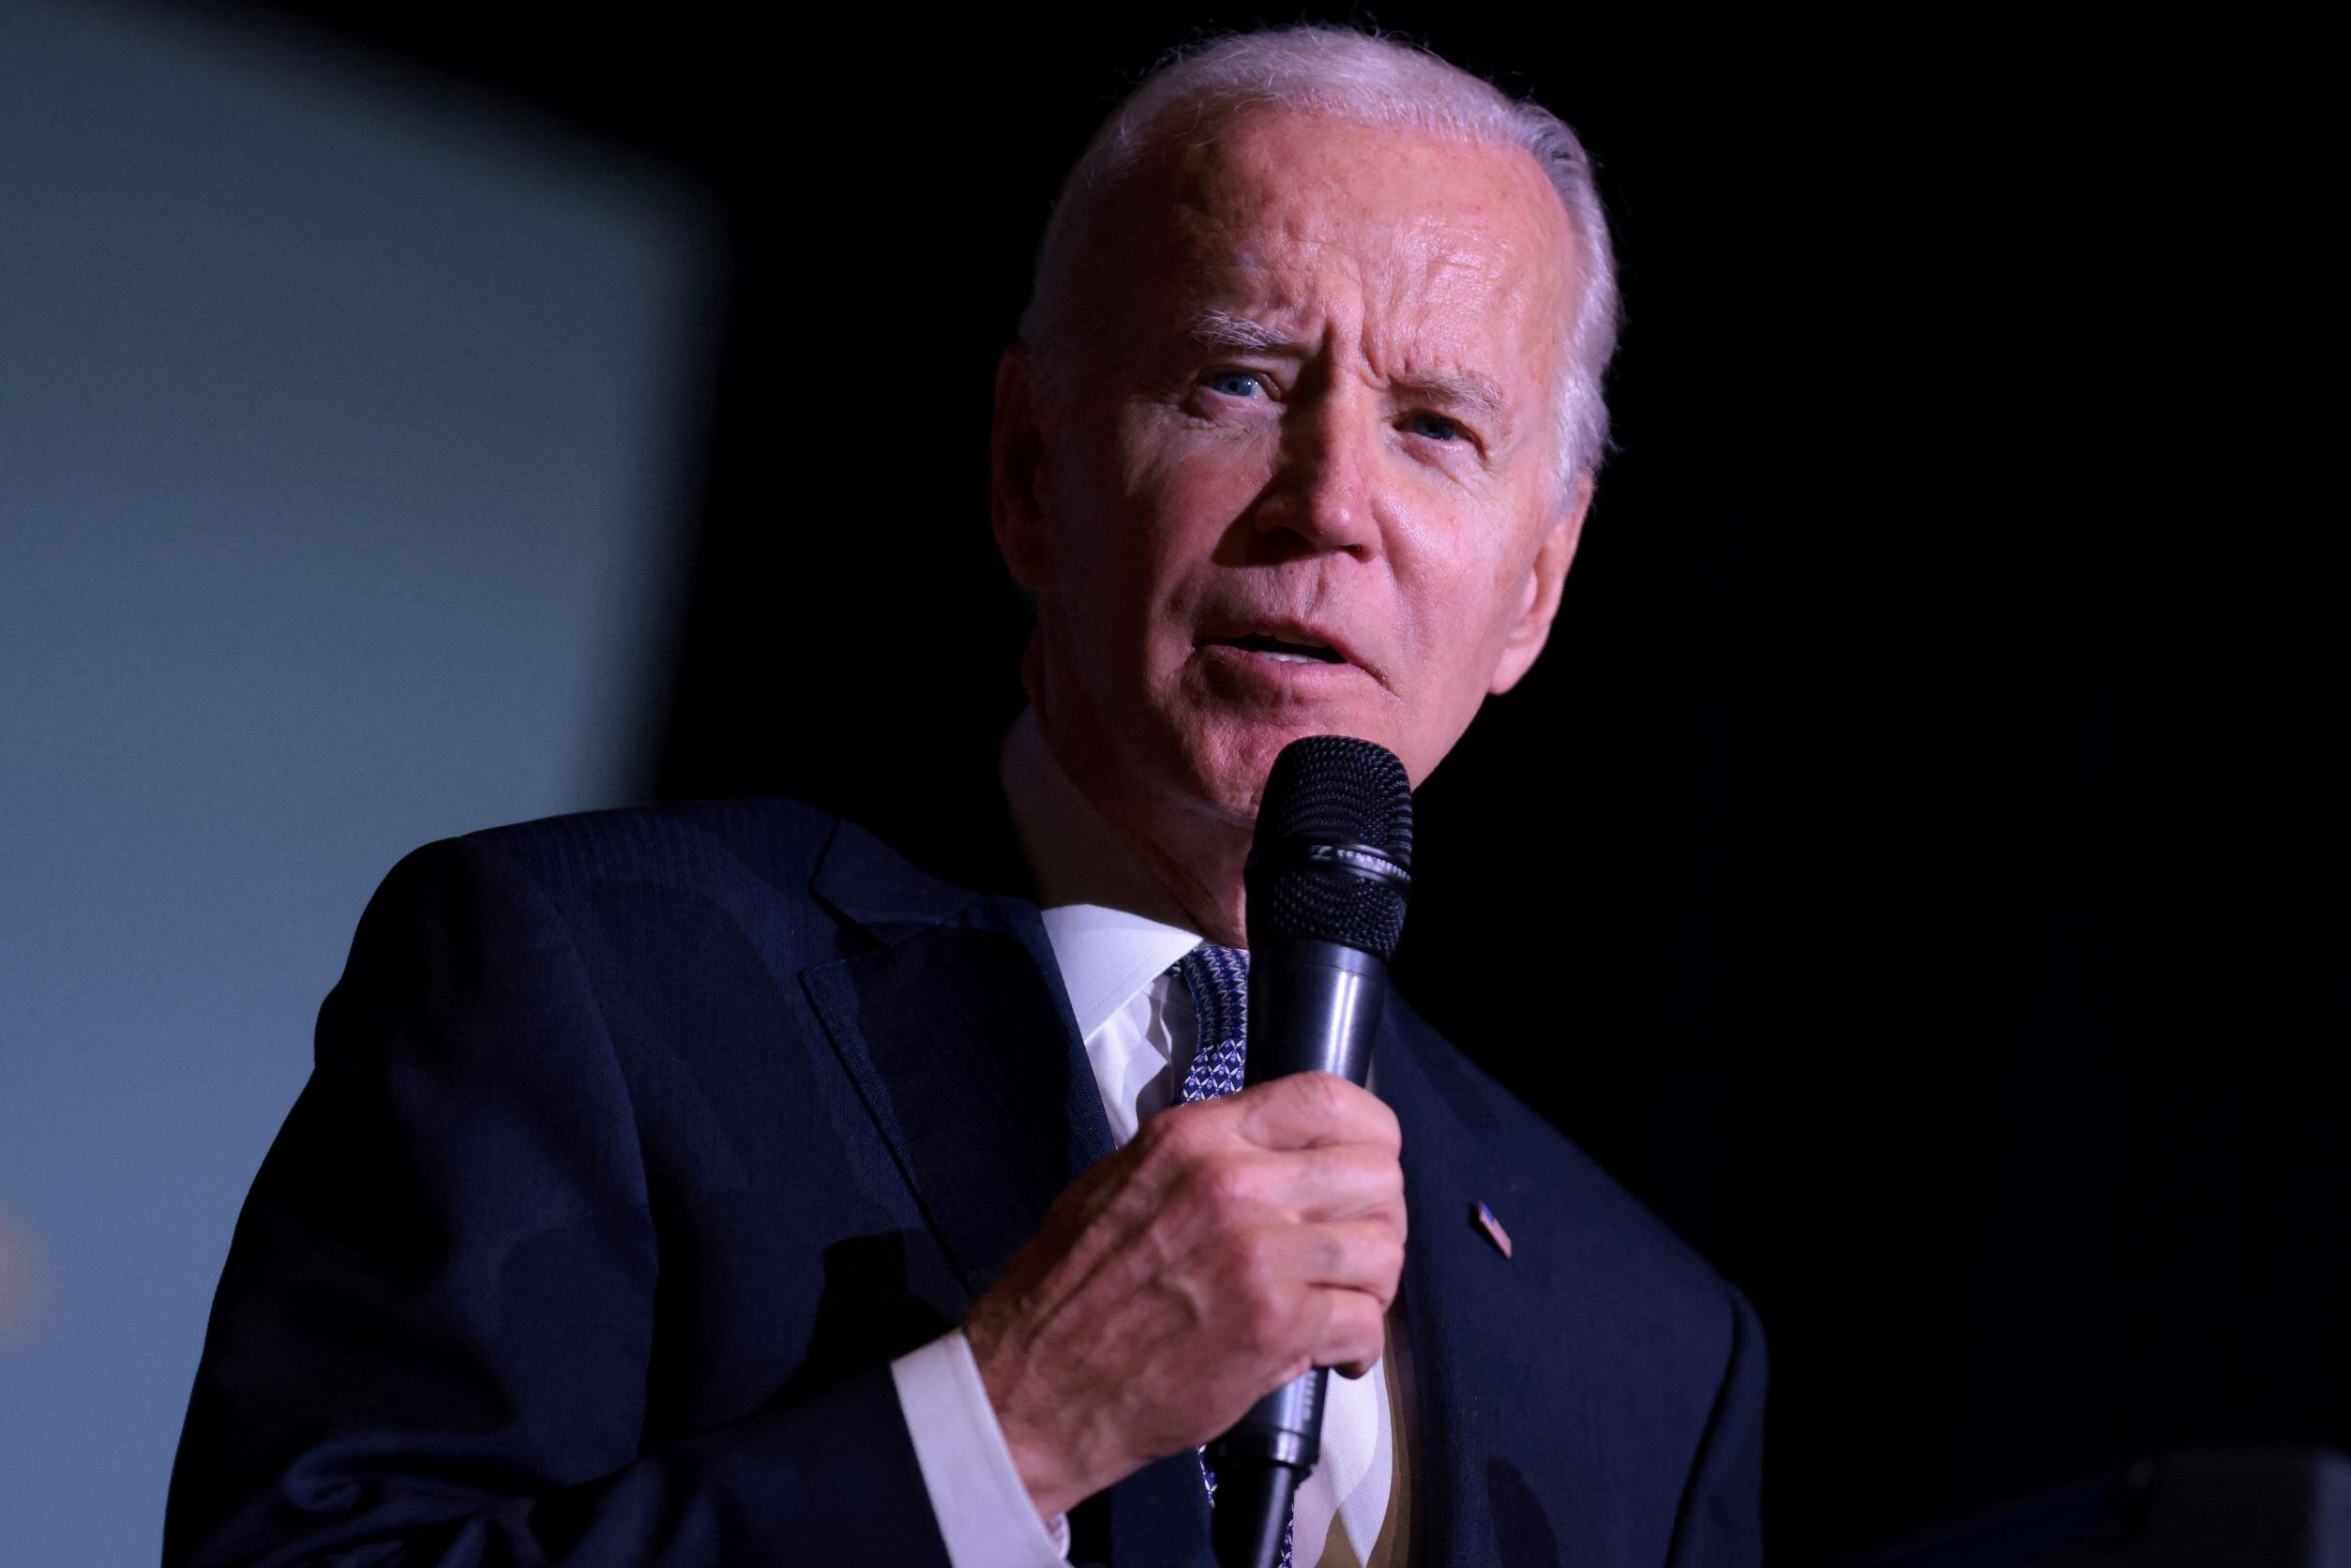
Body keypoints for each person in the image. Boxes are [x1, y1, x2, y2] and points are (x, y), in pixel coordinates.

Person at [165, 25, 1765, 1568]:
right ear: (1027, 472)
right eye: (1238, 379)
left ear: (1537, 592)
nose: (1330, 504)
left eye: (1434, 428)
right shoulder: (586, 980)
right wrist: (1005, 1431)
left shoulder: (1652, 1349)